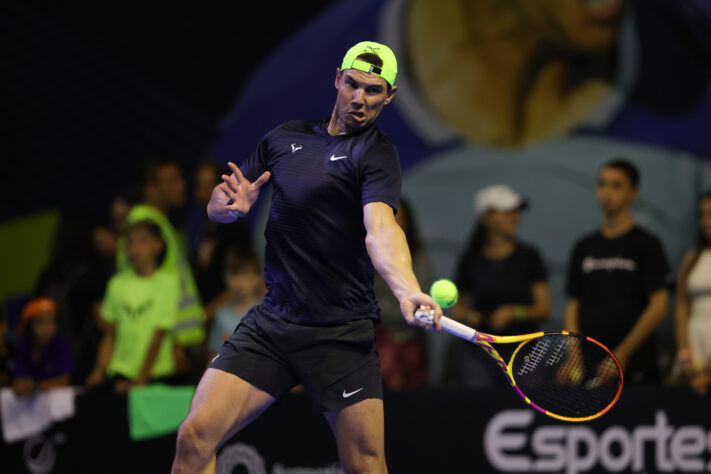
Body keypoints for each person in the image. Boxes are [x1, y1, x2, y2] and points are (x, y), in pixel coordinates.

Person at [172, 41, 442, 474]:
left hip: (340, 335)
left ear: (389, 96)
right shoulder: (284, 139)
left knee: (366, 465)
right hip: (273, 325)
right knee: (194, 437)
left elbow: (381, 229)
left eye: (373, 90)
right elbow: (218, 204)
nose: (359, 98)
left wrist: (407, 289)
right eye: (352, 84)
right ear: (337, 78)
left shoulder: (376, 155)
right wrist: (226, 207)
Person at [565, 159, 672, 385]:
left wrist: (622, 354)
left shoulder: (647, 244)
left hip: (636, 365)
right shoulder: (584, 246)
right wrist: (574, 356)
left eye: (616, 185)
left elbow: (660, 305)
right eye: (602, 184)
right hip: (589, 365)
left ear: (633, 193)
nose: (607, 192)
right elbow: (574, 304)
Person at [452, 185, 551, 388]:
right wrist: (469, 317)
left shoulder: (529, 256)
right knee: (480, 408)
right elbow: (458, 310)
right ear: (486, 218)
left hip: (526, 351)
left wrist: (514, 312)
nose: (513, 217)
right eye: (506, 211)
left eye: (515, 211)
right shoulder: (470, 260)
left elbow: (543, 308)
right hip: (479, 351)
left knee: (530, 409)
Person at [116, 157, 206, 381]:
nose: (182, 185)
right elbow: (148, 290)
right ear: (151, 188)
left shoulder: (158, 223)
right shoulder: (143, 226)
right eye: (171, 180)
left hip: (179, 340)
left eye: (179, 179)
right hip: (169, 346)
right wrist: (174, 343)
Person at [87, 220, 180, 392]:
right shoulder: (116, 285)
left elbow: (158, 335)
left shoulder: (169, 284)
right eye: (130, 242)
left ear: (158, 245)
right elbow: (109, 335)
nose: (135, 248)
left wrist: (141, 379)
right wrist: (99, 371)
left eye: (142, 241)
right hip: (121, 375)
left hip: (156, 376)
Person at [373, 197, 431, 389]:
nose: (393, 224)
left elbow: (415, 308)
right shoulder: (364, 257)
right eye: (388, 218)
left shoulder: (420, 259)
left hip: (412, 344)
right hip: (375, 345)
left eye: (399, 218)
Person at [674, 190, 711, 396]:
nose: (706, 221)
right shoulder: (692, 258)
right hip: (694, 350)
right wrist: (685, 355)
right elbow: (681, 305)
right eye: (703, 215)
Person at [12, 297, 74, 397]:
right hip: (31, 403)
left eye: (51, 322)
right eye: (41, 322)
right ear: (29, 326)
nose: (48, 328)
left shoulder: (60, 343)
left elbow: (64, 381)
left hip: (54, 402)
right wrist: (22, 386)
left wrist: (35, 386)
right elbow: (18, 381)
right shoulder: (22, 344)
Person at [207, 247, 264, 356]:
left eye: (246, 274)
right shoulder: (221, 314)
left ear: (257, 278)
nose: (239, 281)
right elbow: (214, 354)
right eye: (234, 274)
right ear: (225, 276)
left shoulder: (265, 312)